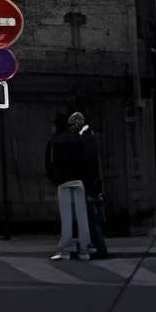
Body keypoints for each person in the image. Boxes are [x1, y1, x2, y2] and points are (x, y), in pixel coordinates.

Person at [46, 110, 89, 261]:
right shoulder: (77, 138)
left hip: (62, 181)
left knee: (66, 217)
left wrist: (53, 179)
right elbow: (85, 159)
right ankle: (84, 250)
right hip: (78, 180)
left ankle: (65, 249)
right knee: (82, 216)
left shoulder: (54, 140)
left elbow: (49, 163)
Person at [68, 110, 109, 258]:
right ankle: (93, 246)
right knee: (89, 219)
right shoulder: (88, 137)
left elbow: (88, 165)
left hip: (87, 186)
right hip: (88, 185)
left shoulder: (85, 139)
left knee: (91, 219)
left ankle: (99, 248)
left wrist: (92, 189)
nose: (71, 128)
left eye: (73, 125)